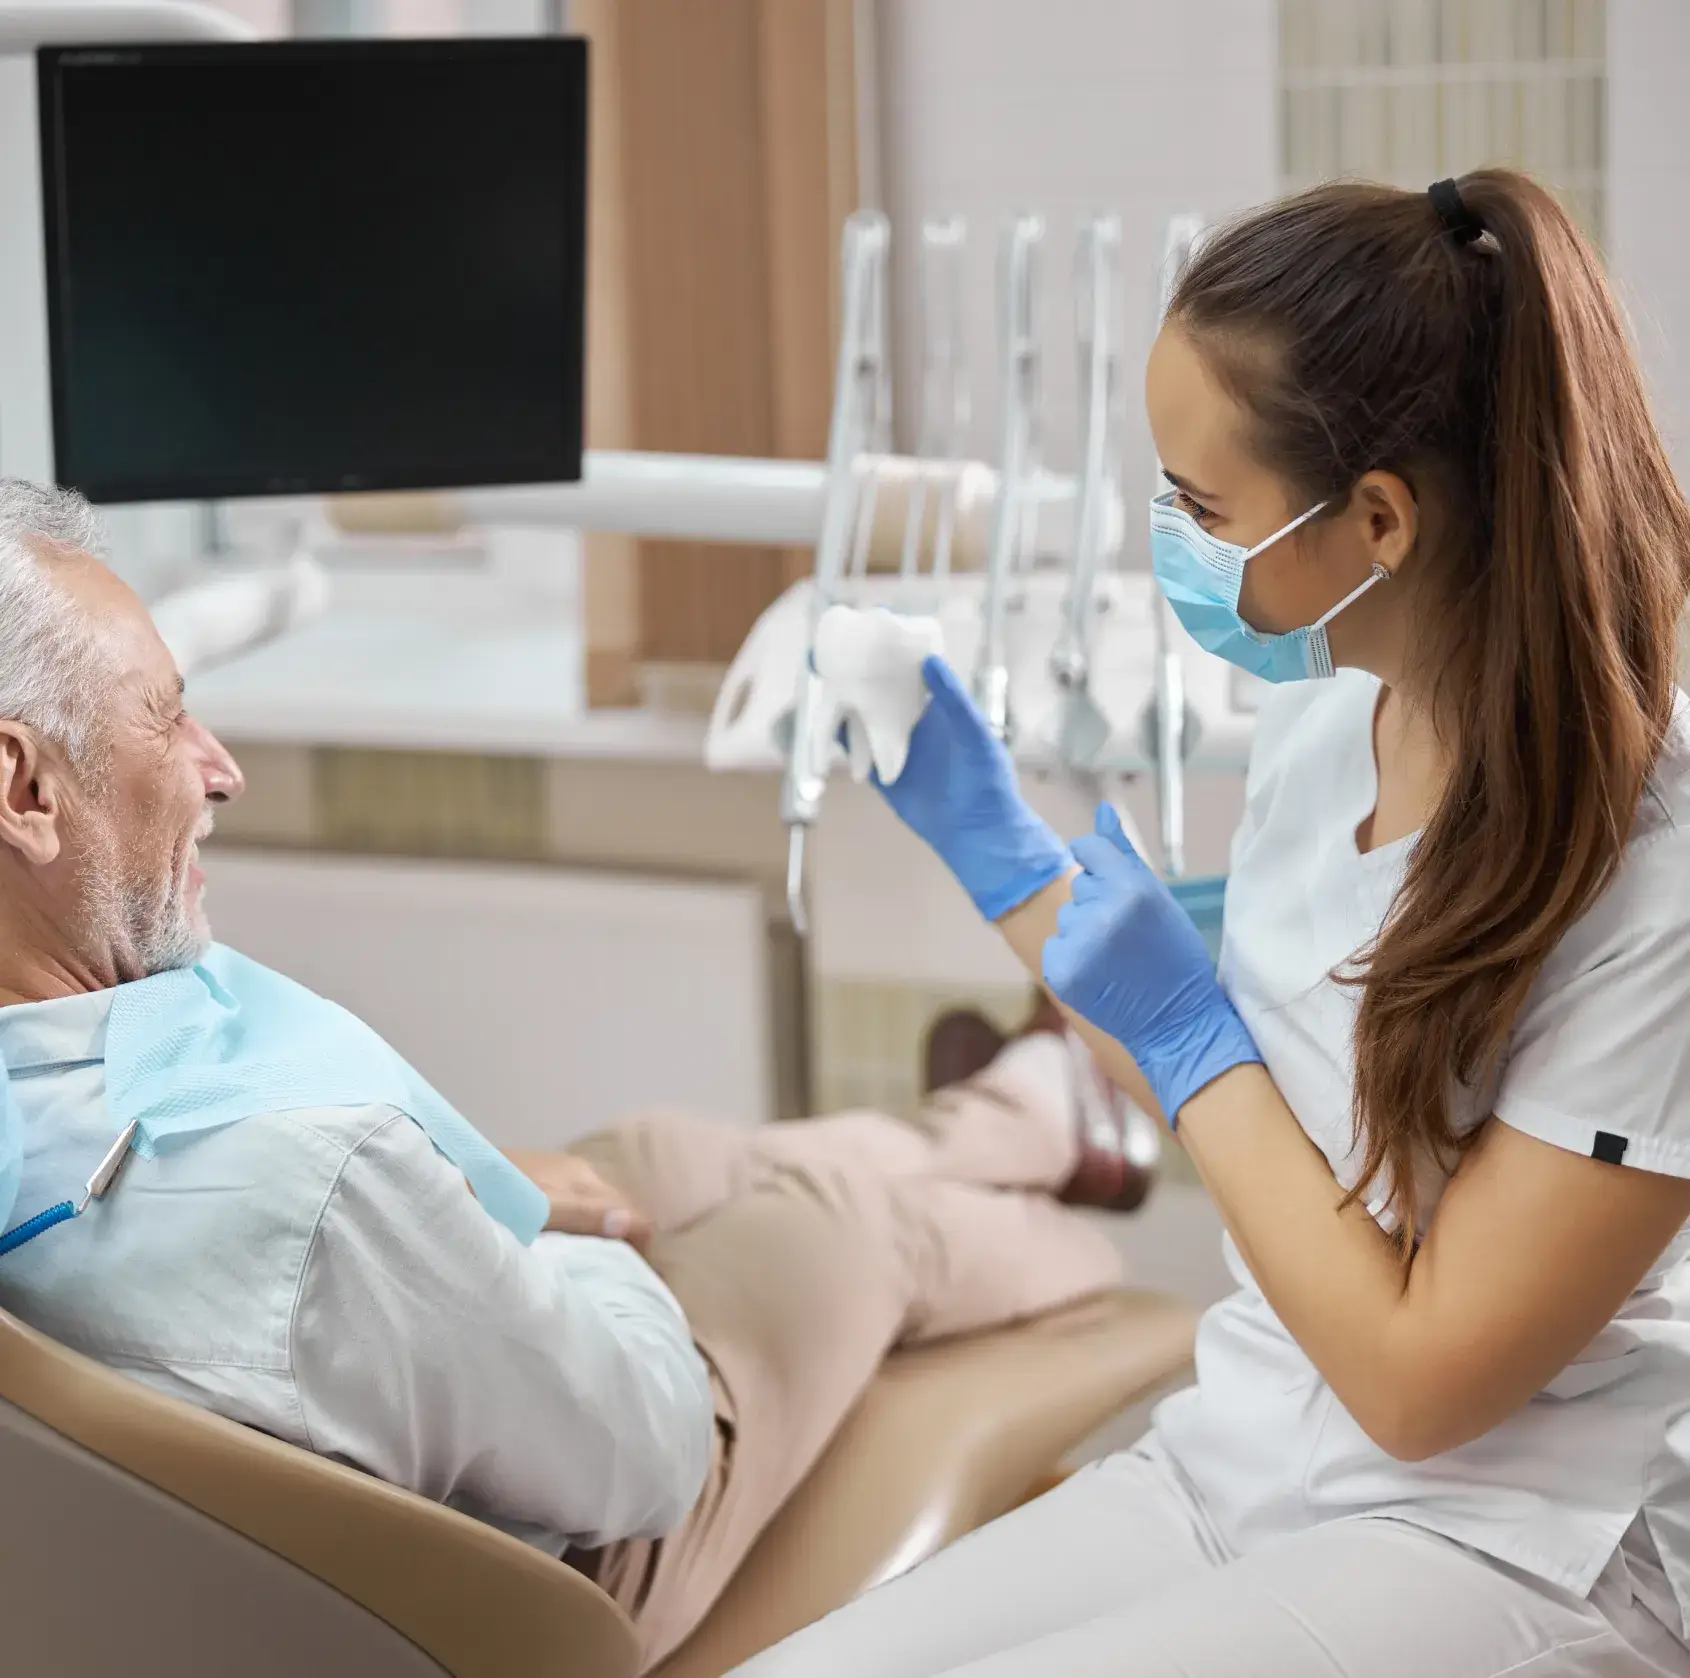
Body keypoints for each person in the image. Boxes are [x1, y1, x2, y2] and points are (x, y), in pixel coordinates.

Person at [734, 170, 1690, 1678]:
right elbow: (1259, 1122)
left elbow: (1419, 1378)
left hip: (1506, 1534)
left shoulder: (1656, 869)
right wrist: (995, 853)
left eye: (1200, 504)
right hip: (1247, 1455)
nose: (1171, 539)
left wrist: (1185, 1032)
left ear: (1376, 519)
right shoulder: (1324, 735)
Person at [0, 477, 1150, 1671]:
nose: (221, 766)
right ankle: (1081, 1215)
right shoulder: (324, 1193)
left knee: (672, 1148)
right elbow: (645, 1453)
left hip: (358, 1323)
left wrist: (477, 1201)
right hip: (556, 1577)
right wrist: (558, 1241)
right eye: (165, 718)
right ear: (24, 789)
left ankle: (1035, 1109)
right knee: (850, 1216)